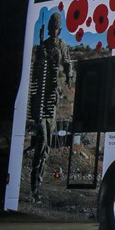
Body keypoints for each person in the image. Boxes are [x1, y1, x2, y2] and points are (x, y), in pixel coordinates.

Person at [26, 11, 73, 203]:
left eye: (56, 27)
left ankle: (36, 188)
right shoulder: (42, 46)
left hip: (51, 103)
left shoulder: (62, 46)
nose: (54, 30)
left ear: (59, 29)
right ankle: (34, 187)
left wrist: (69, 77)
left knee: (45, 148)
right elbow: (36, 70)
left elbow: (68, 64)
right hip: (40, 101)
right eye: (52, 27)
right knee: (43, 140)